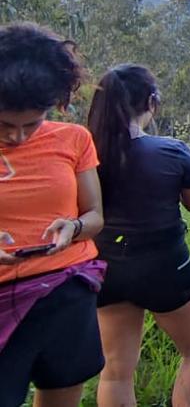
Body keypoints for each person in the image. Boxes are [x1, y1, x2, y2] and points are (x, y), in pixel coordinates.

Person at [87, 65, 190, 407]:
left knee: (115, 371)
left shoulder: (86, 156)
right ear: (152, 103)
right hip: (165, 266)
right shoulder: (172, 151)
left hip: (106, 268)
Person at [0, 23, 105, 407]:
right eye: (6, 124)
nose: (18, 137)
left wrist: (73, 227)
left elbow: (95, 216)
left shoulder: (74, 139)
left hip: (64, 293)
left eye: (33, 122)